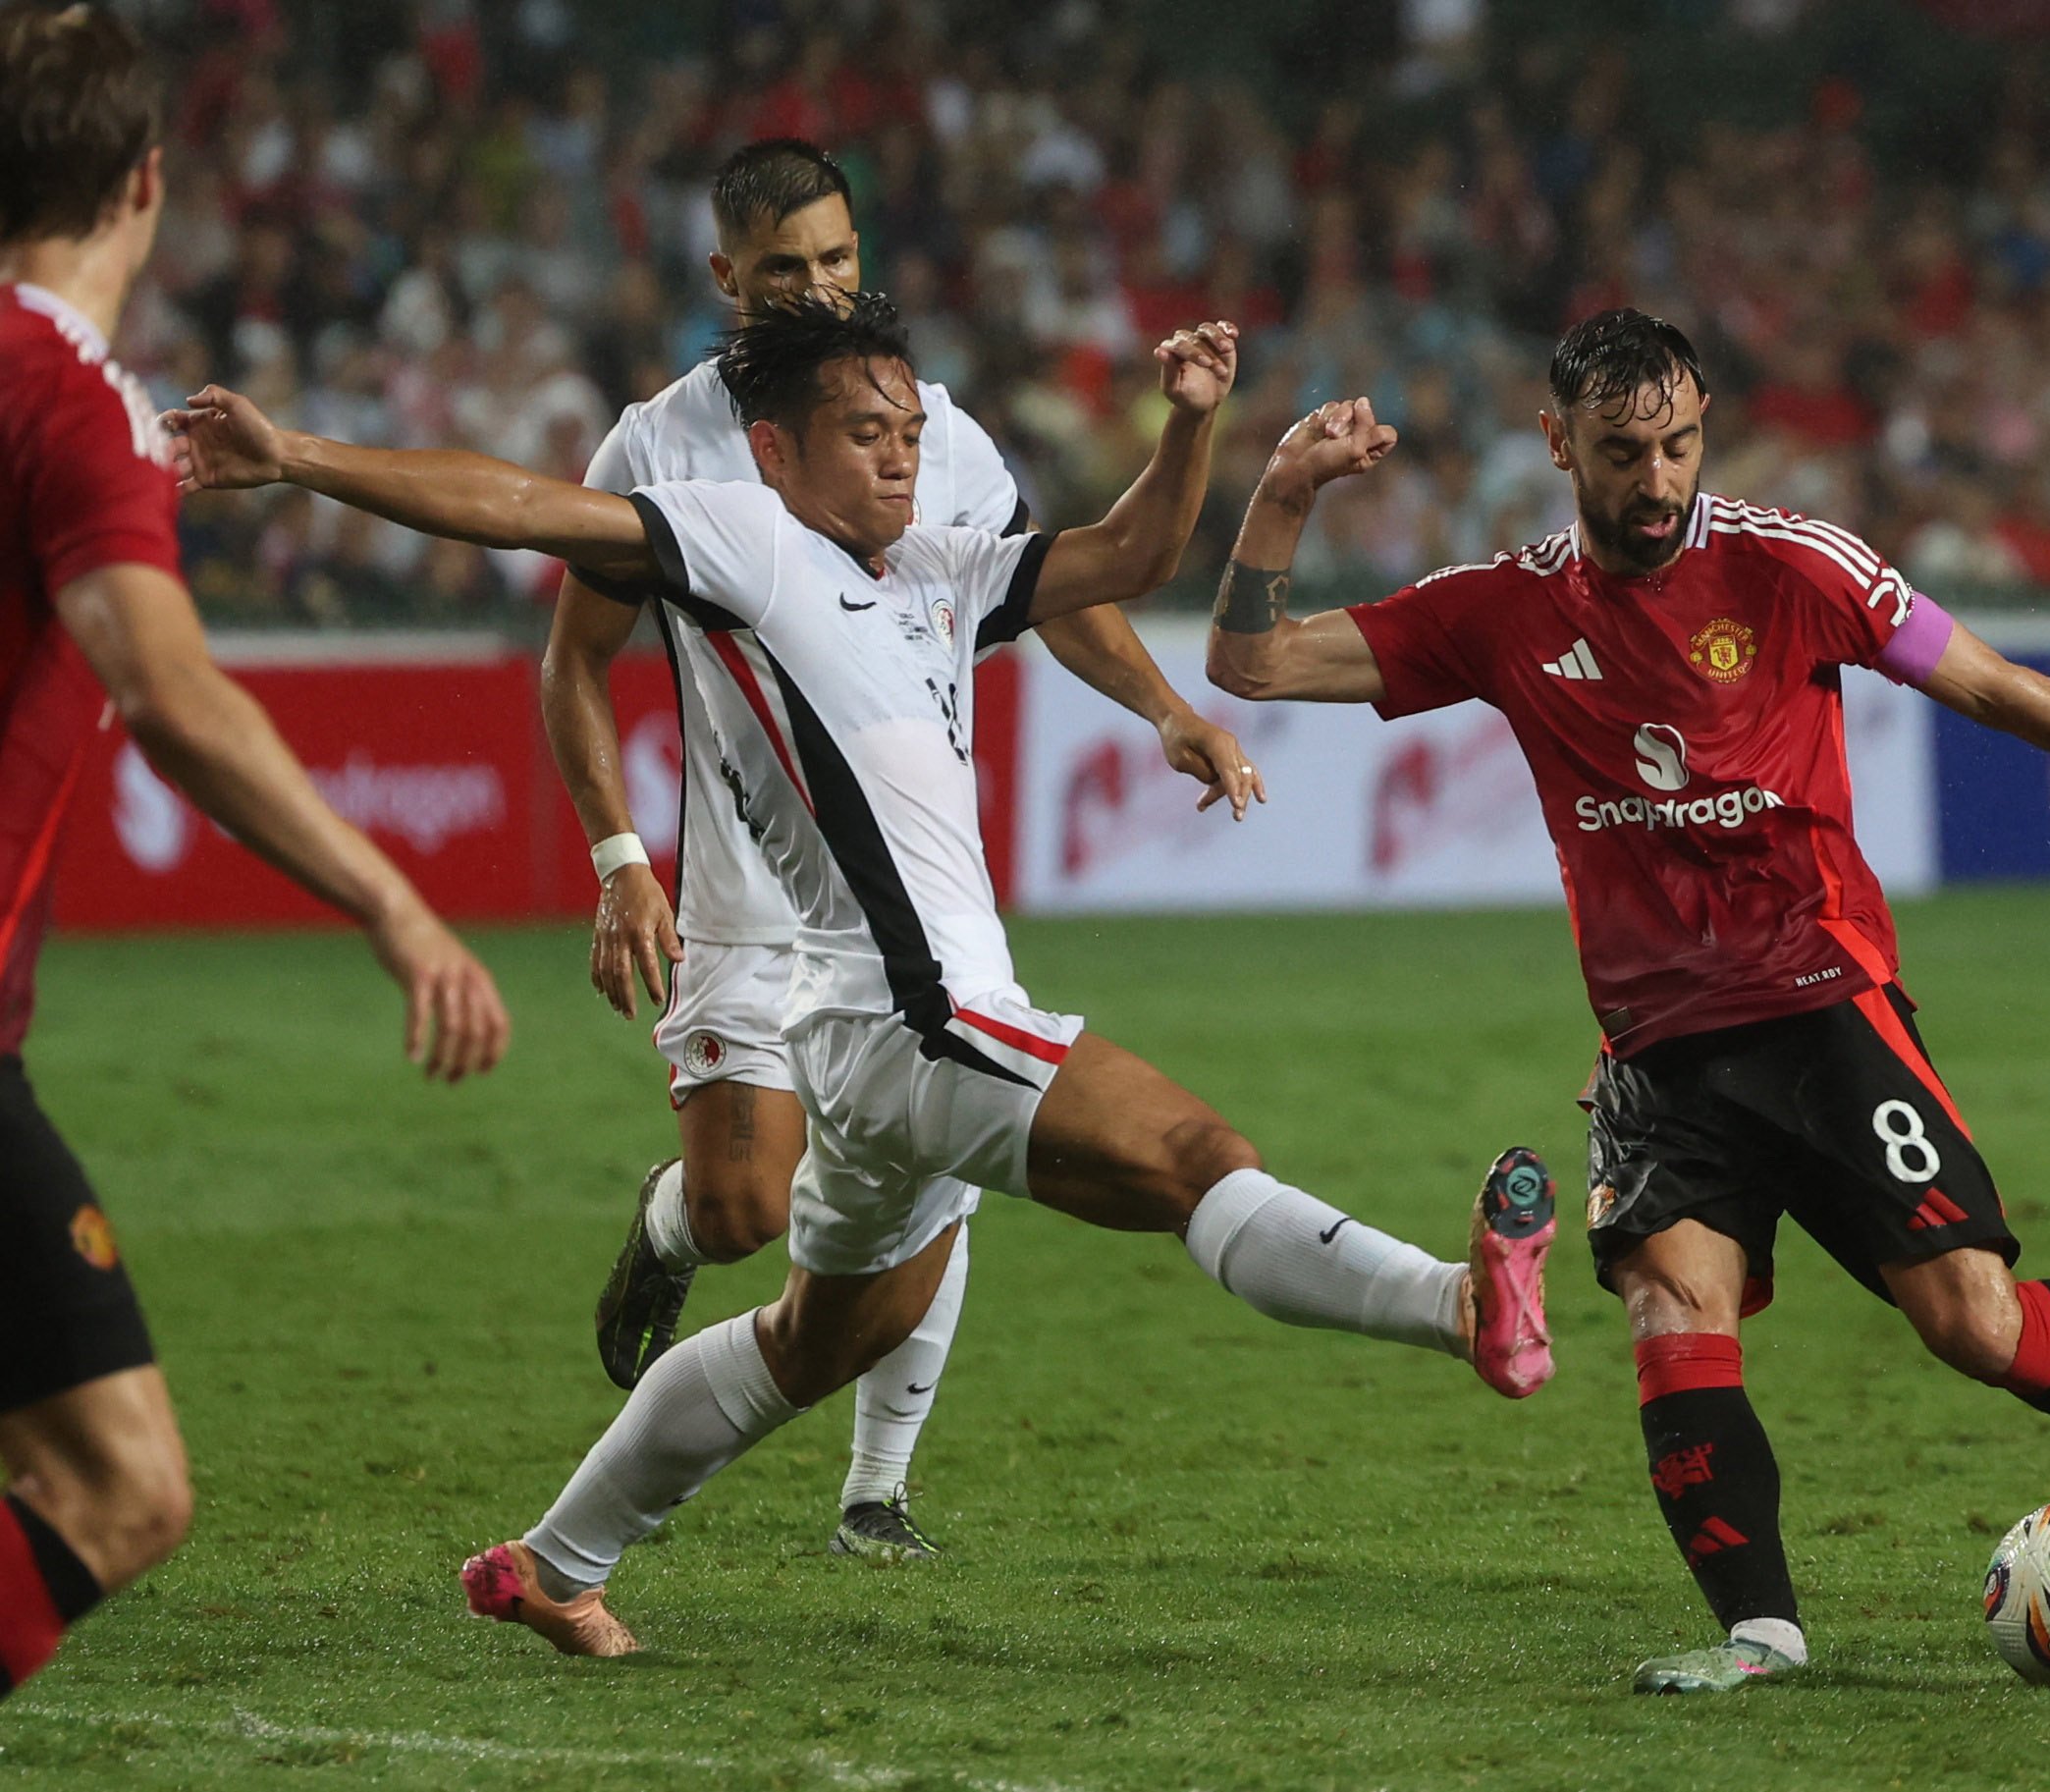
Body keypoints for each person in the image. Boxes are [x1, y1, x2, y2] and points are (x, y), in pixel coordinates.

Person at [166, 294, 1558, 1659]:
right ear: (777, 453)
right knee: (1197, 1151)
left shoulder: (943, 567)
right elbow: (523, 508)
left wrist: (1196, 426)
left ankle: (548, 1562)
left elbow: (1132, 550)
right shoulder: (745, 538)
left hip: (879, 1022)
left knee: (812, 1339)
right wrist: (297, 457)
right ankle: (1458, 1304)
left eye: (906, 427)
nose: (899, 452)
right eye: (862, 432)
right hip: (917, 1014)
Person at [1200, 307, 2050, 1695]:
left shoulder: (1792, 564)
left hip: (1824, 1006)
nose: (1658, 479)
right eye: (1624, 450)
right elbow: (1251, 663)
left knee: (1974, 1324)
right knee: (1668, 1306)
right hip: (1657, 1051)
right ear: (1558, 442)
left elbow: (1990, 684)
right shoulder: (1500, 611)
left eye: (1681, 442)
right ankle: (1761, 1631)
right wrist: (1284, 489)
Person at [544, 138, 1258, 1564]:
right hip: (746, 896)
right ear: (723, 279)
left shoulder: (929, 425)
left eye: (838, 262)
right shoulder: (659, 441)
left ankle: (879, 1484)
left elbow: (1052, 584)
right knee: (748, 1204)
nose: (816, 290)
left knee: (934, 1130)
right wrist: (620, 849)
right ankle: (673, 1222)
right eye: (783, 271)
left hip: (902, 883)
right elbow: (574, 658)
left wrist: (1166, 706)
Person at [0, 2, 510, 1701]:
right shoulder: (65, 399)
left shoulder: (77, 420)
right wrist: (392, 898)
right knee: (120, 1486)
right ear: (146, 182)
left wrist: (130, 479)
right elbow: (173, 690)